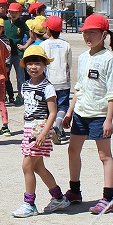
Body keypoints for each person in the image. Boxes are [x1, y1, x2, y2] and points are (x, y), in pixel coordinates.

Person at [63, 13, 113, 215]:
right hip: (80, 113)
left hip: (99, 114)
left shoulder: (109, 59)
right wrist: (70, 113)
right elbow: (79, 88)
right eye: (85, 32)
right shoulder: (82, 57)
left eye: (92, 32)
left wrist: (109, 119)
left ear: (104, 34)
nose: (88, 36)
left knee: (104, 155)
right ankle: (75, 190)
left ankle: (108, 197)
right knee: (72, 151)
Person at [11, 44, 69, 219]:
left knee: (27, 165)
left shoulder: (47, 87)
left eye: (37, 63)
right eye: (29, 63)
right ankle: (58, 197)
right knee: (38, 167)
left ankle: (29, 203)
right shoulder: (26, 84)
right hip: (30, 128)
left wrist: (44, 133)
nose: (33, 67)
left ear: (44, 65)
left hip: (39, 129)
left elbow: (53, 112)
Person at [39, 15, 72, 145]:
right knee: (63, 105)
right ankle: (58, 124)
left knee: (49, 106)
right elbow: (69, 64)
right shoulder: (66, 44)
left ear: (48, 30)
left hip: (48, 80)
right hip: (63, 79)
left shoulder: (43, 44)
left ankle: (50, 128)